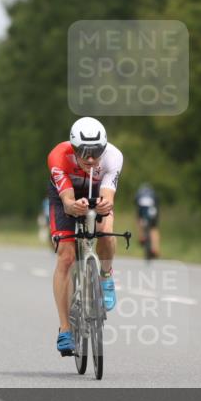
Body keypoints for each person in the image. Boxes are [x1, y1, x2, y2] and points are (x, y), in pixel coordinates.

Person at [47, 116, 123, 356]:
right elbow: (67, 202)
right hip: (66, 194)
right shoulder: (58, 156)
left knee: (106, 233)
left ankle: (106, 276)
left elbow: (108, 197)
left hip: (97, 191)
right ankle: (65, 329)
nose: (91, 159)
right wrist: (72, 205)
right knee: (66, 257)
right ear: (73, 147)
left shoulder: (113, 156)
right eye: (85, 153)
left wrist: (103, 206)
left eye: (96, 152)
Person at [135, 182, 160, 258]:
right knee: (154, 228)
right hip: (152, 210)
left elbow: (135, 203)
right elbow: (157, 204)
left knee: (139, 220)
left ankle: (141, 236)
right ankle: (155, 248)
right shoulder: (153, 194)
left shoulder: (139, 193)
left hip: (141, 209)